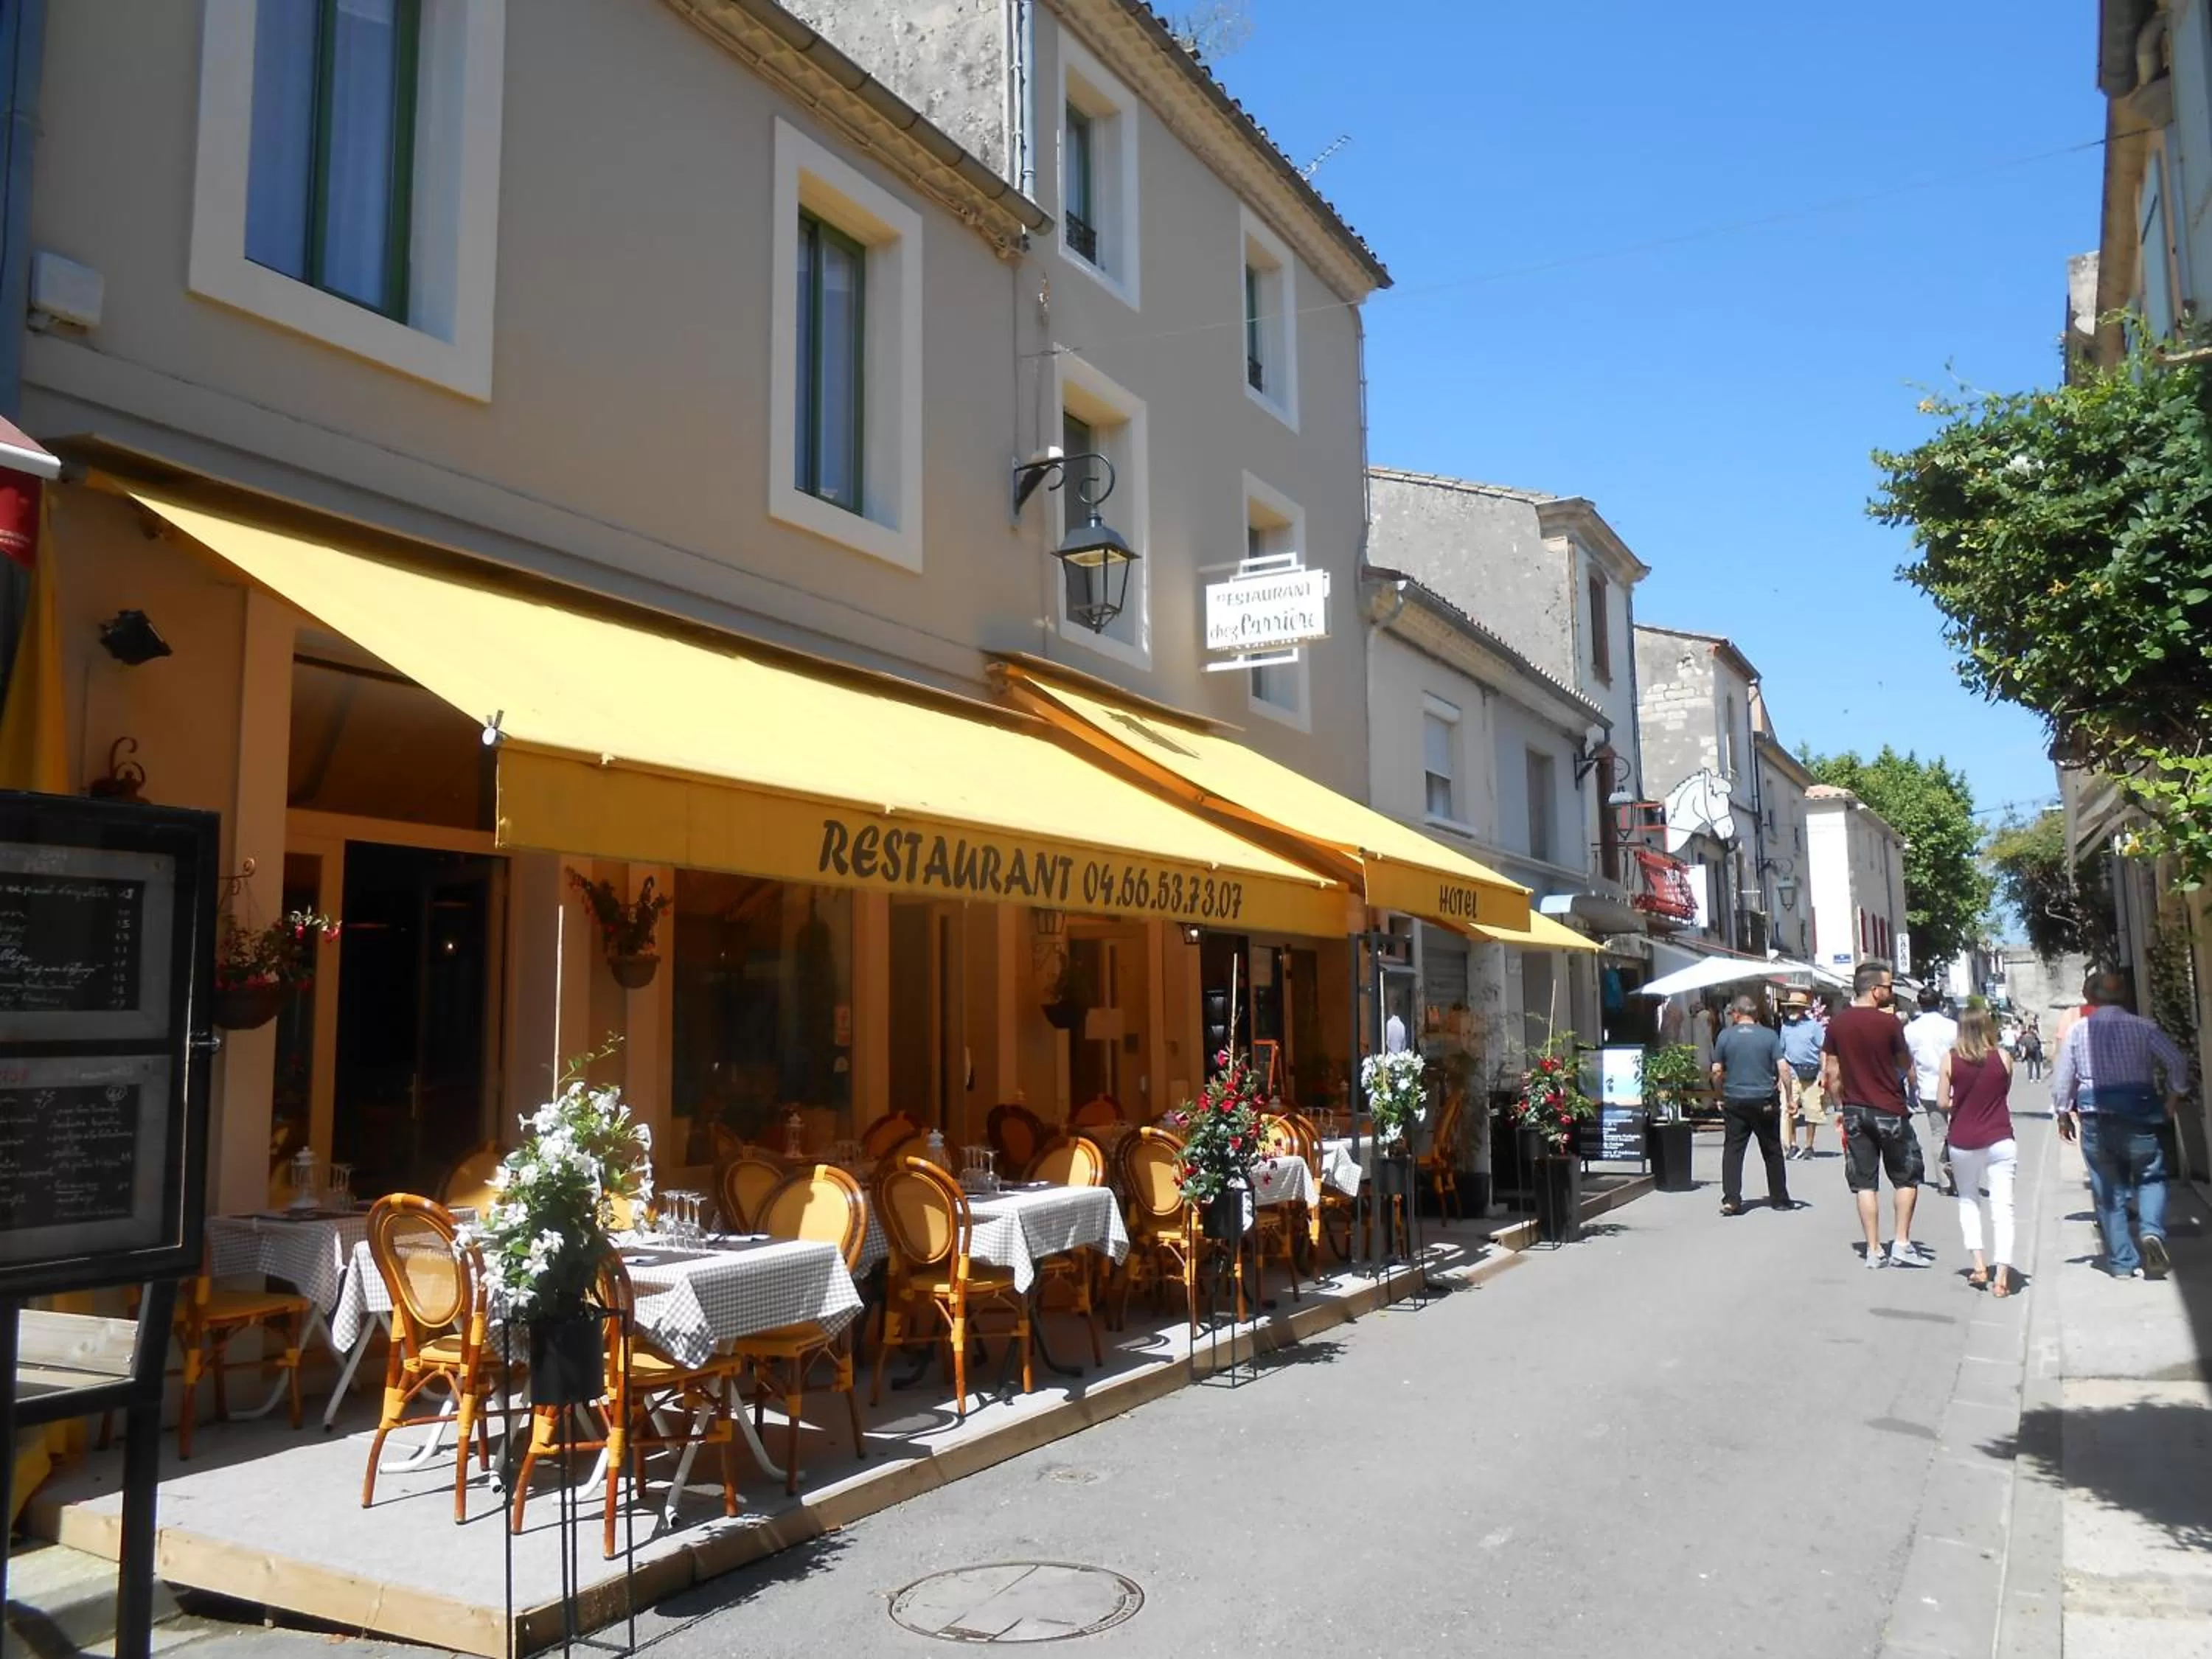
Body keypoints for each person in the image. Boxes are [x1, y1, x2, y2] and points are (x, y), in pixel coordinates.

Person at [2052, 971, 2191, 1280]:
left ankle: (2123, 1263)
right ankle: (2152, 1231)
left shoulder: (2077, 1032)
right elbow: (2178, 1062)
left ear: (2090, 998)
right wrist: (2173, 1097)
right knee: (2151, 1176)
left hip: (2096, 1118)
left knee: (2108, 1191)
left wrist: (2063, 1114)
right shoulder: (2145, 1028)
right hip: (2139, 1114)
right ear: (2125, 996)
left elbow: (2063, 1080)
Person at [1824, 960, 1925, 1267]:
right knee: (1906, 1177)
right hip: (1889, 1109)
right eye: (1889, 987)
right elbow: (1906, 1064)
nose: (1891, 992)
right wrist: (1913, 1088)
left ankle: (1873, 1248)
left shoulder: (1837, 1024)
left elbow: (1831, 1071)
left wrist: (1839, 1106)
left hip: (1855, 1109)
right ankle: (1902, 1243)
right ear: (1874, 990)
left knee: (1865, 1182)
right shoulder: (1890, 1023)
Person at [1938, 1006, 2018, 1295]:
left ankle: (1980, 1265)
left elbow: (1941, 1103)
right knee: (2003, 1207)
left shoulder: (1950, 1059)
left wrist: (1957, 1100)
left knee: (1969, 1200)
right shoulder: (2004, 1058)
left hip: (1963, 1139)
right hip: (2000, 1137)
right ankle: (2003, 1276)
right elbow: (2002, 1091)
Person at [1711, 994, 1794, 1215]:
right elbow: (1784, 1069)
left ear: (1736, 1014)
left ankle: (1732, 1199)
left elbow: (1717, 1071)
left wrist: (1719, 1095)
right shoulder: (1769, 1036)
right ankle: (1779, 1198)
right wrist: (1791, 1098)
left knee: (1733, 1150)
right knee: (1772, 1149)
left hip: (1735, 1099)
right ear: (1755, 1014)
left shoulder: (1725, 1036)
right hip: (1764, 1099)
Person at [1904, 985, 1961, 1197]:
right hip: (1956, 1086)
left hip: (1928, 1088)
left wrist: (1914, 1085)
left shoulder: (1910, 1030)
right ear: (1939, 1003)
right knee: (1958, 1132)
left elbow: (1908, 1063)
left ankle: (1944, 1182)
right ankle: (1960, 1173)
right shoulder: (1952, 1027)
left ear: (1919, 1004)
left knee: (1938, 1133)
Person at [1778, 990, 1829, 1160]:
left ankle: (1809, 1145)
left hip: (1812, 1072)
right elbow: (1781, 1053)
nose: (1792, 1011)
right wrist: (1781, 1077)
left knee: (1812, 1110)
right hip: (1792, 1072)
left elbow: (1823, 1050)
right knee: (1790, 1109)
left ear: (1803, 1009)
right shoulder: (1785, 1027)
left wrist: (1823, 1072)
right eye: (1791, 1007)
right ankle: (1792, 1144)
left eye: (1796, 1008)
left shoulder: (1814, 1026)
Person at [2018, 1017, 2045, 1082]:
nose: (2033, 1030)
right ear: (2029, 1029)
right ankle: (2031, 1078)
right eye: (2032, 1028)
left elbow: (2041, 1040)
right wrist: (2023, 1053)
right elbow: (2022, 1044)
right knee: (2030, 1065)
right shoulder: (2026, 1036)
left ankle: (2038, 1078)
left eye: (2034, 1028)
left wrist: (2037, 1034)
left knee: (2038, 1065)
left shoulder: (2036, 1035)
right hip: (2030, 1051)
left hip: (2037, 1050)